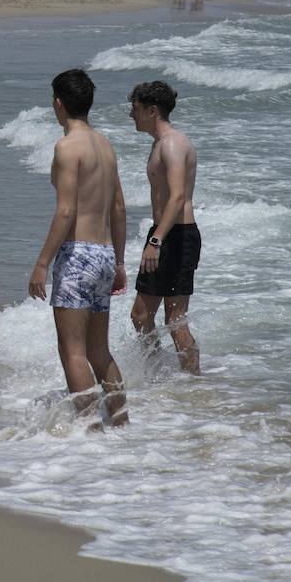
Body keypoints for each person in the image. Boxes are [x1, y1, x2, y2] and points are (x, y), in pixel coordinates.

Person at [27, 70, 128, 428]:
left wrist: (42, 263)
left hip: (77, 256)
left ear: (58, 103)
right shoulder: (105, 145)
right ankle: (120, 423)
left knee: (72, 350)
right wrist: (118, 260)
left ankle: (90, 432)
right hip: (103, 255)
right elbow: (118, 208)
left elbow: (66, 210)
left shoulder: (68, 147)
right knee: (99, 351)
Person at [128, 81, 202, 375]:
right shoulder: (159, 143)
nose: (131, 115)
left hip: (176, 236)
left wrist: (156, 240)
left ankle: (194, 382)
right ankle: (157, 373)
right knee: (141, 315)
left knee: (175, 319)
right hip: (164, 233)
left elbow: (178, 196)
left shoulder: (172, 143)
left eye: (135, 109)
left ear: (152, 110)